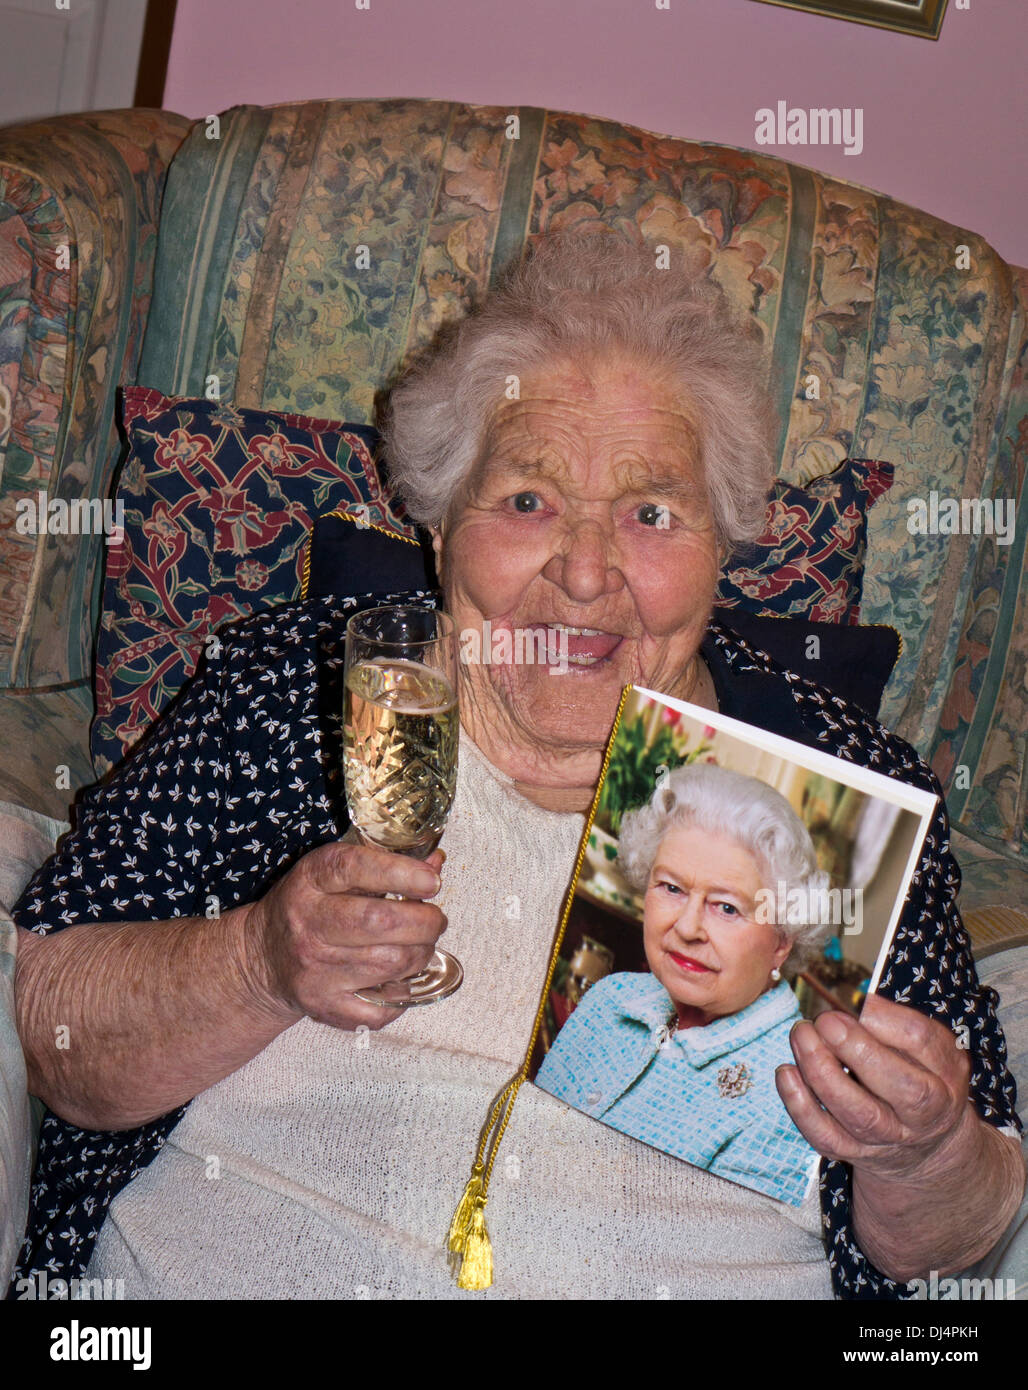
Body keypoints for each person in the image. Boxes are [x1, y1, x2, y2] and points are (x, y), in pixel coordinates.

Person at [12, 232, 1024, 1300]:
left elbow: (955, 1238)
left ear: (721, 549)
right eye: (528, 501)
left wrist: (919, 1154)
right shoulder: (295, 686)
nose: (585, 574)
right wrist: (257, 961)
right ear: (440, 529)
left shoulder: (839, 786)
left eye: (649, 513)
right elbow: (55, 1033)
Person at [536, 764, 832, 1206]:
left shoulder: (793, 1099)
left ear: (781, 943)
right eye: (672, 888)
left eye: (727, 908)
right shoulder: (611, 997)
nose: (688, 927)